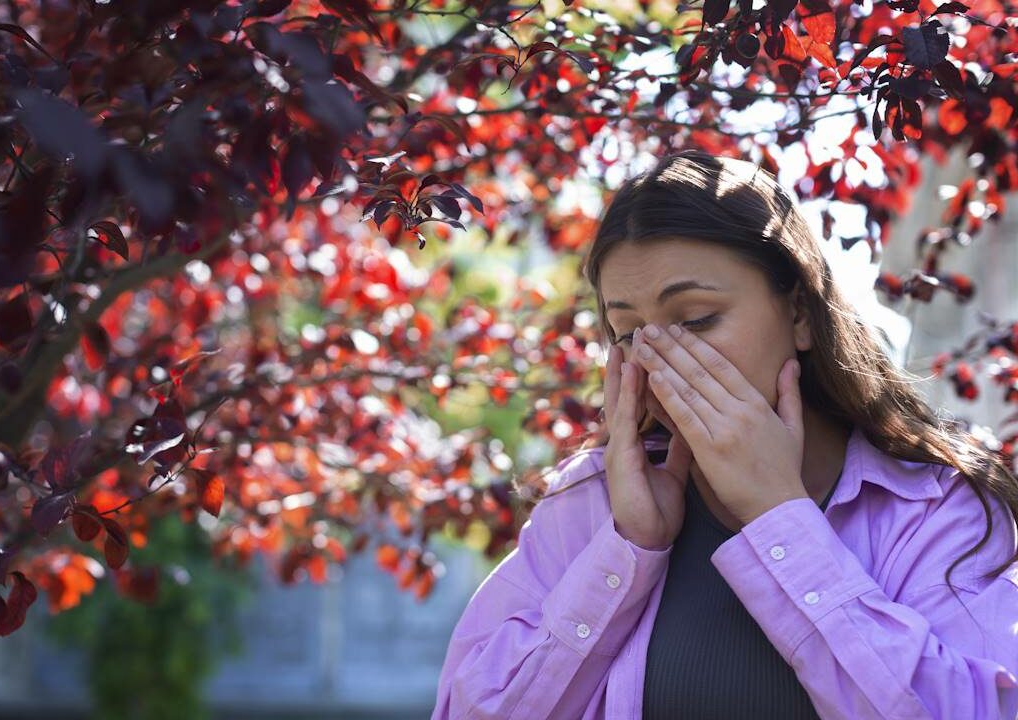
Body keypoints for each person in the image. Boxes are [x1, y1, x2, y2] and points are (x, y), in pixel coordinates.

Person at [430, 149, 1018, 719]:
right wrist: (627, 547)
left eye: (695, 320)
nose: (660, 358)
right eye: (629, 331)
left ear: (799, 314)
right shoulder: (590, 501)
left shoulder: (934, 507)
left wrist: (779, 517)